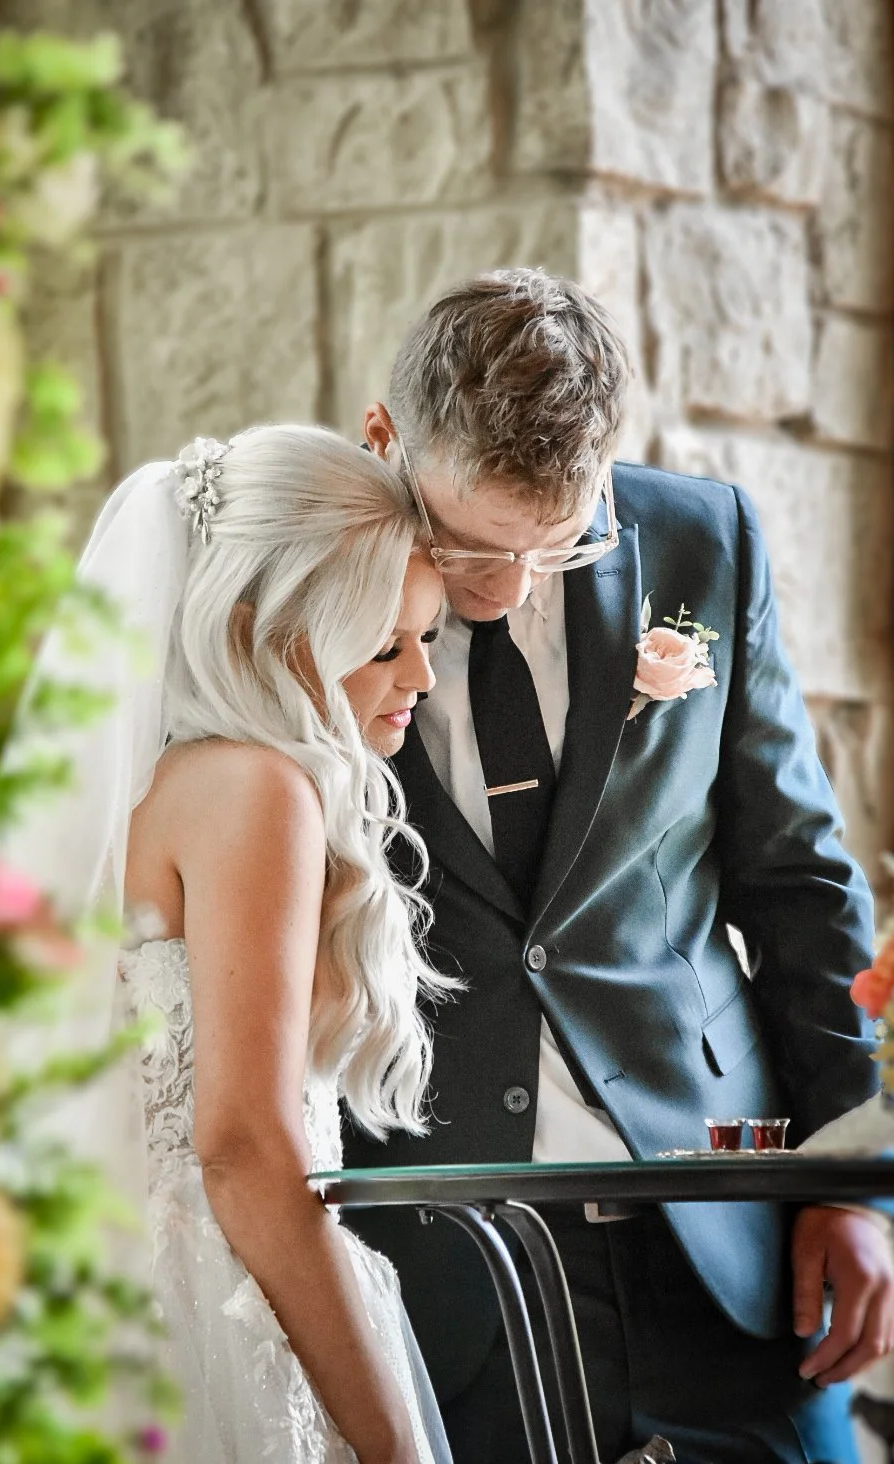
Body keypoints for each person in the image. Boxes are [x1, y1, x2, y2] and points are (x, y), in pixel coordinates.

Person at [343, 268, 894, 1464]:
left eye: (557, 549)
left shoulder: (703, 538)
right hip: (446, 1257)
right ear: (385, 438)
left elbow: (796, 879)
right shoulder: (297, 587)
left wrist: (855, 1181)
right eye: (467, 547)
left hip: (722, 1234)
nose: (502, 592)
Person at [3, 425, 455, 1464]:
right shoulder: (254, 792)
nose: (422, 674)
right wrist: (390, 1442)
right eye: (384, 643)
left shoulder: (159, 791)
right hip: (218, 1322)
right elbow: (245, 1150)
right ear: (259, 633)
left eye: (426, 636)